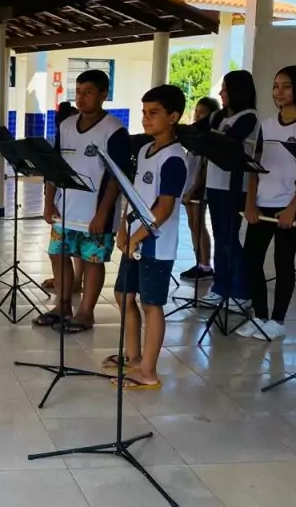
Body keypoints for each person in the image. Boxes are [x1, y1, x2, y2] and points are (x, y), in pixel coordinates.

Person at [36, 70, 130, 333]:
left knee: (92, 260)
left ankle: (86, 312)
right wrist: (49, 201)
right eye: (78, 91)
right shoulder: (65, 126)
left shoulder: (114, 130)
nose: (81, 98)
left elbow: (116, 177)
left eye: (88, 92)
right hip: (65, 210)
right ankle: (62, 305)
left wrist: (103, 214)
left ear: (103, 95)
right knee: (58, 253)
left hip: (96, 213)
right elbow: (54, 168)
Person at [107, 84, 188, 390]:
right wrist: (123, 229)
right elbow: (135, 194)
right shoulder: (144, 150)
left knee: (151, 304)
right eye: (143, 112)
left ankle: (149, 373)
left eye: (154, 113)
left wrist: (137, 236)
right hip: (135, 237)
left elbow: (164, 208)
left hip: (156, 243)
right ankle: (133, 356)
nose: (146, 118)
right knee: (123, 295)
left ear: (173, 117)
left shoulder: (174, 159)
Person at [240, 66, 296, 341]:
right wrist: (251, 203)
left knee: (283, 262)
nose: (279, 91)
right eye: (276, 86)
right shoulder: (266, 124)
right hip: (261, 204)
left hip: (291, 206)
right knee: (251, 260)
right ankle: (261, 317)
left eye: (286, 86)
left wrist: (293, 208)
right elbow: (254, 166)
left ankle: (277, 320)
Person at [201, 70, 259, 309]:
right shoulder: (218, 116)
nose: (220, 93)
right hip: (214, 185)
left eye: (225, 88)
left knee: (229, 239)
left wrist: (208, 138)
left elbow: (227, 142)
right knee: (221, 237)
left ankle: (241, 291)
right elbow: (199, 133)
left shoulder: (249, 117)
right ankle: (220, 286)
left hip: (235, 187)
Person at [41, 100, 84, 293]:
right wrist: (48, 202)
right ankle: (65, 287)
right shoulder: (61, 139)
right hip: (62, 201)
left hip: (84, 205)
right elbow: (51, 173)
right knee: (58, 250)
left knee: (82, 250)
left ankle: (76, 281)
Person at [179, 96, 219, 281]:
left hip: (197, 188)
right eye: (196, 111)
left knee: (198, 224)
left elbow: (204, 168)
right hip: (187, 185)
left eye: (202, 112)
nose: (197, 115)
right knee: (192, 224)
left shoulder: (209, 136)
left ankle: (205, 264)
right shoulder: (193, 134)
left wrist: (193, 189)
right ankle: (198, 262)